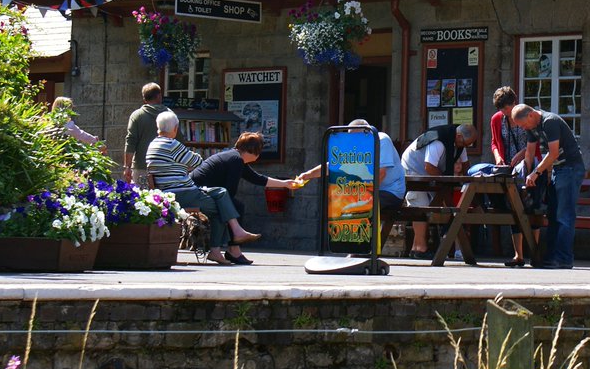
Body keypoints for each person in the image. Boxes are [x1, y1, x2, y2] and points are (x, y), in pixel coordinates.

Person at [146, 111, 261, 266]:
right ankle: (216, 250)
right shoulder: (172, 144)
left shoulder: (152, 144)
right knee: (221, 207)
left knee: (221, 192)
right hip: (182, 192)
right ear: (175, 128)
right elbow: (197, 161)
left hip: (174, 190)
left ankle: (236, 232)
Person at [190, 132, 301, 265]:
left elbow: (257, 178)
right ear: (254, 151)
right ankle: (233, 250)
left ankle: (233, 249)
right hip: (197, 192)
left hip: (202, 190)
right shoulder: (236, 160)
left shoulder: (235, 157)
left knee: (237, 206)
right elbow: (230, 191)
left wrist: (285, 184)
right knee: (236, 206)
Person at [511, 103, 585, 270]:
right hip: (558, 169)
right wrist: (526, 175)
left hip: (571, 167)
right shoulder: (532, 126)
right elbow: (529, 152)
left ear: (530, 115)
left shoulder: (549, 121)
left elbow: (552, 153)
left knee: (564, 215)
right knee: (552, 214)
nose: (524, 129)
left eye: (523, 125)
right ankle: (551, 257)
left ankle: (564, 259)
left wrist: (535, 173)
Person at [400, 124, 478, 259]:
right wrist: (446, 181)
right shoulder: (438, 142)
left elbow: (466, 167)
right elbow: (429, 167)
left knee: (440, 204)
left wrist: (470, 179)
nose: (466, 147)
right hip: (413, 168)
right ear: (459, 136)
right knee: (420, 204)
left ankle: (416, 247)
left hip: (428, 172)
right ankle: (420, 249)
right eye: (466, 143)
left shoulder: (460, 145)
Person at [296, 119, 407, 212]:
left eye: (355, 137)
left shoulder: (381, 140)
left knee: (354, 206)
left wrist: (361, 195)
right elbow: (334, 165)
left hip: (390, 192)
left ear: (365, 133)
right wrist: (308, 175)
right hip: (368, 191)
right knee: (338, 203)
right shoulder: (357, 144)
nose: (353, 141)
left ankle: (358, 237)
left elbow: (381, 173)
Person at [490, 87, 530, 267]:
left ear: (514, 103)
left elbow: (535, 142)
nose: (505, 113)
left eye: (507, 108)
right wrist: (498, 157)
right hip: (507, 167)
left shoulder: (526, 115)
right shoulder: (497, 119)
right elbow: (494, 142)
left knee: (526, 206)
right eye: (502, 109)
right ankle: (518, 254)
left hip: (526, 165)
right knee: (512, 206)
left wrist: (522, 155)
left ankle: (533, 250)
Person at [123, 83, 169, 186]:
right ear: (159, 96)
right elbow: (179, 142)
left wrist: (127, 167)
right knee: (166, 200)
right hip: (165, 168)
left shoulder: (137, 116)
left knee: (142, 199)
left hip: (142, 166)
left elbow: (130, 142)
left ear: (144, 99)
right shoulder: (169, 115)